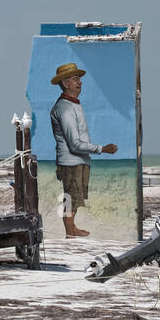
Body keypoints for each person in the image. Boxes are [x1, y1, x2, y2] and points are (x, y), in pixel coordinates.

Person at [49, 62, 117, 237]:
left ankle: (72, 228)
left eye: (79, 79)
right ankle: (69, 231)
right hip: (71, 161)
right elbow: (75, 144)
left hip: (78, 161)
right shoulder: (64, 108)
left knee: (75, 198)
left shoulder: (72, 104)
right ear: (65, 83)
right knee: (71, 198)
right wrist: (103, 149)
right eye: (75, 79)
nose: (80, 82)